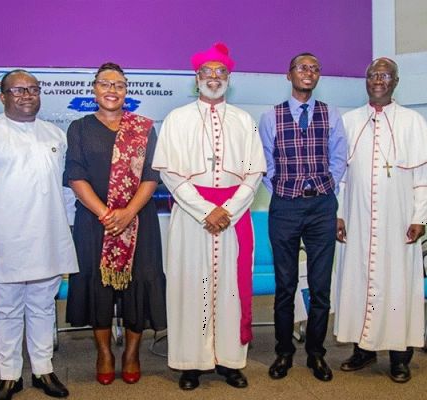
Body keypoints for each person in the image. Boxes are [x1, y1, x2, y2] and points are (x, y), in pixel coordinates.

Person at [0, 69, 78, 399]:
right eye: (18, 90)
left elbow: (66, 189)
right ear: (3, 96)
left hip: (48, 237)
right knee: (7, 308)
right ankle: (9, 374)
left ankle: (43, 369)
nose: (26, 95)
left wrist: (67, 227)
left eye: (33, 89)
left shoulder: (55, 135)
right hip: (2, 239)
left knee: (43, 306)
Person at [152, 43, 266, 391]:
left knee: (231, 289)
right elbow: (170, 174)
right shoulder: (177, 119)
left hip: (234, 215)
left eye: (220, 73)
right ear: (196, 78)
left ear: (228, 80)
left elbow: (254, 174)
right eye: (207, 73)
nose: (213, 79)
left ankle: (230, 361)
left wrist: (227, 210)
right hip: (191, 217)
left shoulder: (244, 121)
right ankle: (191, 363)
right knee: (191, 287)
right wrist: (206, 210)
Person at [64, 62, 166, 386]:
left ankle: (132, 353)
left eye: (119, 85)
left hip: (140, 220)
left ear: (126, 90)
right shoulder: (79, 128)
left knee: (140, 283)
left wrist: (128, 213)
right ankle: (105, 353)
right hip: (95, 224)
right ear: (94, 89)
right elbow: (75, 176)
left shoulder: (144, 128)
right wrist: (108, 215)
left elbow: (152, 175)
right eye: (105, 84)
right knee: (99, 286)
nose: (112, 90)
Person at [334, 57, 427, 383]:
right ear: (366, 80)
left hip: (398, 221)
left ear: (395, 81)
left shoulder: (414, 122)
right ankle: (363, 349)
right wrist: (339, 213)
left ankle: (400, 356)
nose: (377, 80)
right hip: (358, 219)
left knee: (399, 285)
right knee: (359, 280)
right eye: (372, 74)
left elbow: (422, 176)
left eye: (384, 75)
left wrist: (420, 217)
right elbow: (341, 176)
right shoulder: (349, 121)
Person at [259, 52, 347, 382]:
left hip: (322, 206)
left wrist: (323, 188)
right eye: (301, 67)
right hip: (285, 208)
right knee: (285, 285)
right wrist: (285, 190)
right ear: (289, 74)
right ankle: (284, 352)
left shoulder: (332, 115)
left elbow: (338, 159)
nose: (307, 73)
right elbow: (266, 163)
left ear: (318, 76)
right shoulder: (271, 117)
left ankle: (316, 353)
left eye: (313, 68)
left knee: (321, 286)